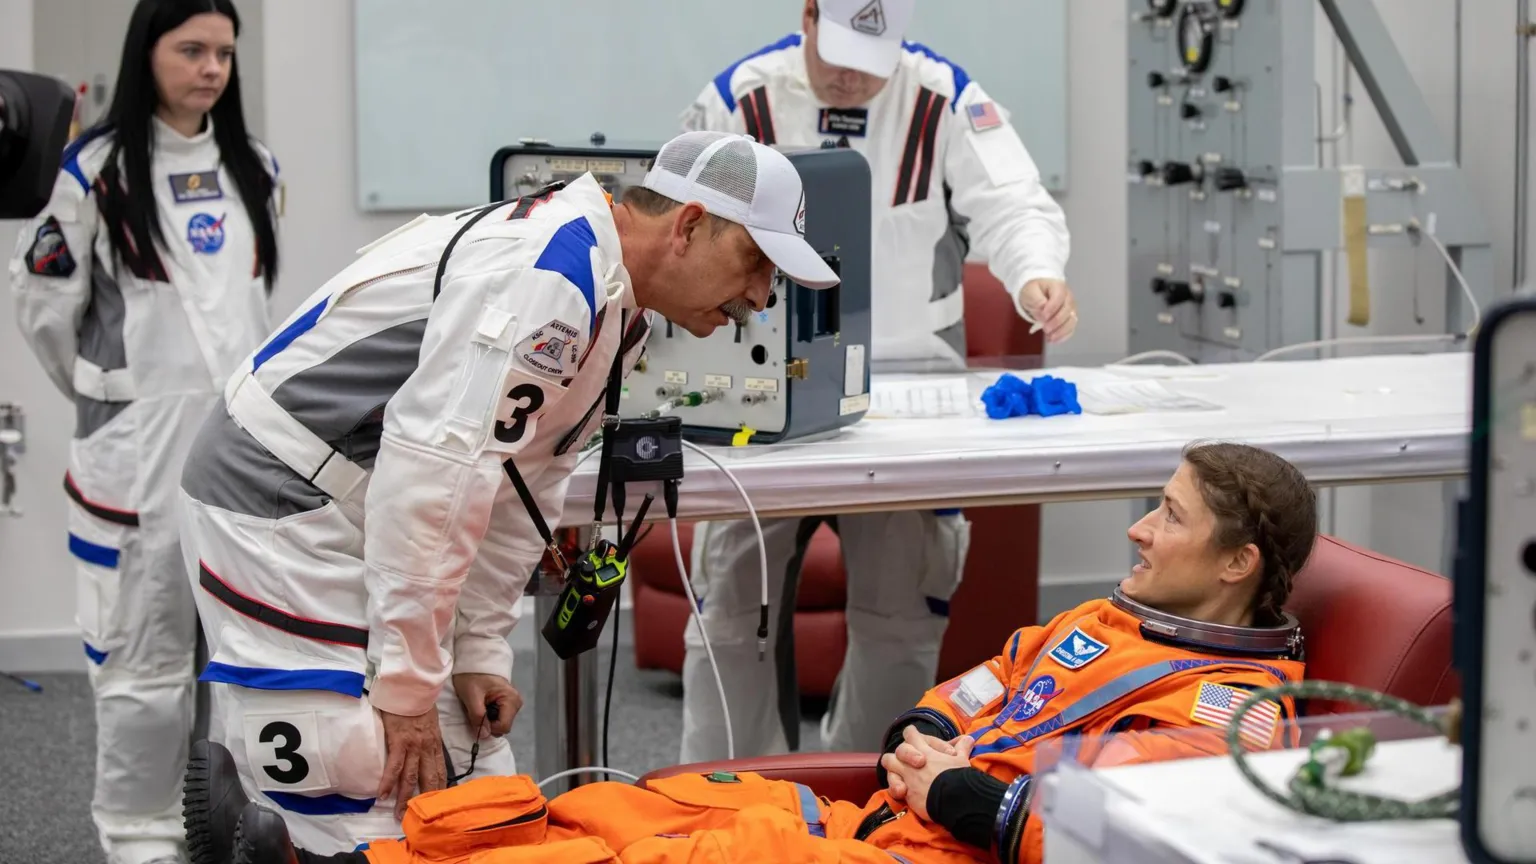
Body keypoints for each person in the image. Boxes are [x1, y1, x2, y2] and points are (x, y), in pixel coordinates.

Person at [176, 129, 839, 859]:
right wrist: (406, 686)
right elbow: (435, 478)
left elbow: (526, 480)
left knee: (478, 779)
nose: (760, 297)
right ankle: (280, 843)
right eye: (757, 263)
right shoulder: (550, 275)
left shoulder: (617, 304)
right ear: (687, 225)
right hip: (278, 495)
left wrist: (478, 652)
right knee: (366, 767)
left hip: (372, 496)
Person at [197, 441, 1320, 864]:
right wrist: (933, 746)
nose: (1136, 528)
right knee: (619, 805)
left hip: (923, 855)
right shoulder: (1091, 627)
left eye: (1167, 516)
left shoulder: (1231, 708)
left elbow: (1115, 845)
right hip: (871, 820)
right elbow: (945, 704)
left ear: (1236, 565)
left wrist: (961, 790)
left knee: (655, 862)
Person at [677, 0, 1081, 764]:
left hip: (908, 386)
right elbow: (683, 218)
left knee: (902, 614)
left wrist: (1036, 275)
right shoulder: (741, 96)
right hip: (761, 381)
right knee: (730, 613)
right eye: (838, 58)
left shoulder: (945, 96)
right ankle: (727, 788)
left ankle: (870, 790)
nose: (854, 79)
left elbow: (1013, 201)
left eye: (872, 62)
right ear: (807, 17)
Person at [8, 2, 279, 862]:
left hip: (237, 454)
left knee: (251, 657)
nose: (210, 69)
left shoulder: (257, 169)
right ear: (147, 54)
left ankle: (246, 828)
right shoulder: (92, 170)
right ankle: (138, 838)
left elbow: (256, 308)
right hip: (134, 458)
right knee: (140, 671)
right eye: (191, 50)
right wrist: (113, 397)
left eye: (225, 54)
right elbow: (46, 312)